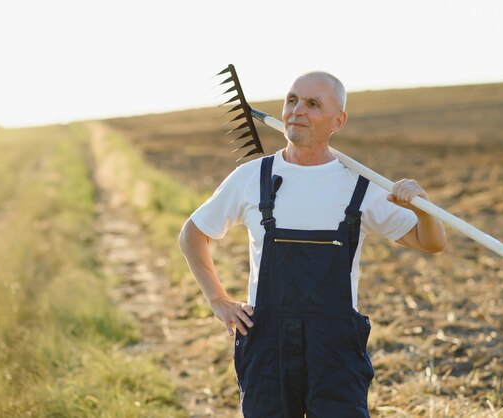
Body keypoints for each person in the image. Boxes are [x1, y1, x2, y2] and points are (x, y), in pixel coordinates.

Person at [179, 71, 446, 418]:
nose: (297, 110)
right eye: (292, 100)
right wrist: (218, 300)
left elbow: (431, 243)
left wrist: (422, 209)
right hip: (267, 348)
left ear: (338, 120)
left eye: (312, 104)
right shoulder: (252, 177)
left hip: (334, 347)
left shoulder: (360, 185)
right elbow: (192, 234)